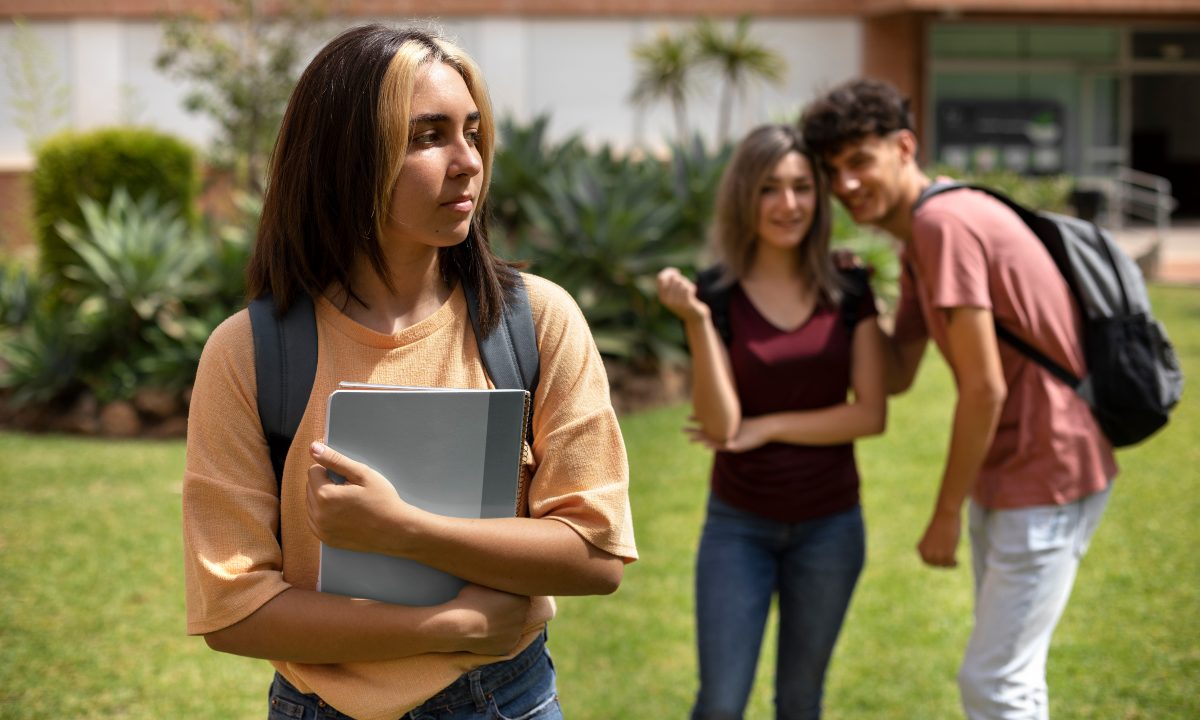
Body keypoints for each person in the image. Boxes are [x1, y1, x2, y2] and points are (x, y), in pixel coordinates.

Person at [181, 24, 637, 720]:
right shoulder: (248, 352)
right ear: (346, 160)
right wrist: (450, 628)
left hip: (508, 702)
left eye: (473, 132)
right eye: (428, 136)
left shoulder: (537, 320)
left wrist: (405, 529)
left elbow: (597, 554)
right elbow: (233, 610)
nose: (468, 162)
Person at [800, 78, 1116, 720]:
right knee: (1010, 675)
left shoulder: (944, 225)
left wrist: (944, 513)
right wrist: (857, 303)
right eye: (833, 171)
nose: (847, 184)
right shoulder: (923, 234)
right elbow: (894, 376)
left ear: (904, 147)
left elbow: (983, 387)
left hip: (1048, 466)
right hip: (1016, 470)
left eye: (859, 160)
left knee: (994, 682)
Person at [656, 124, 886, 720]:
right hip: (739, 528)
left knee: (801, 702)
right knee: (721, 704)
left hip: (831, 527)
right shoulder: (716, 293)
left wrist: (771, 426)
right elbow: (724, 425)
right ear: (744, 197)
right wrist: (698, 322)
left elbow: (870, 413)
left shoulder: (850, 284)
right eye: (770, 188)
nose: (789, 205)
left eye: (802, 187)